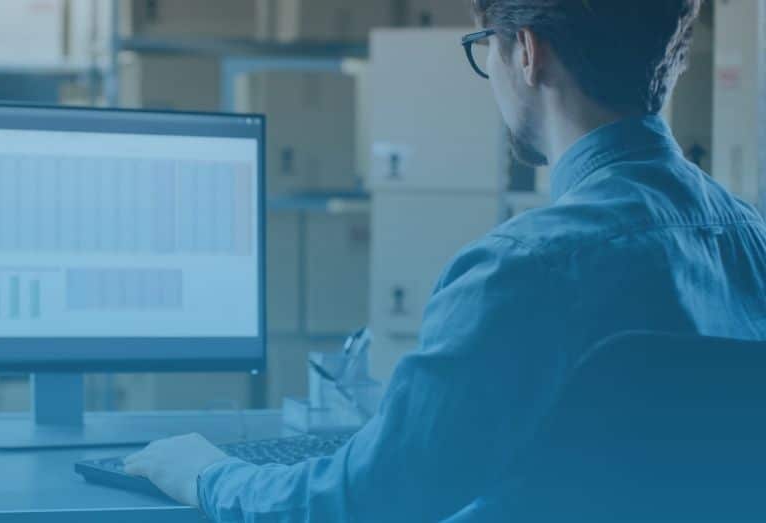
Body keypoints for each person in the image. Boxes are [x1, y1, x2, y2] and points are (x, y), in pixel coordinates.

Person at [124, 0, 766, 520]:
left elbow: (359, 504)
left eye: (484, 46)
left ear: (527, 52)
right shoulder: (755, 243)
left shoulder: (522, 269)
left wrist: (206, 476)